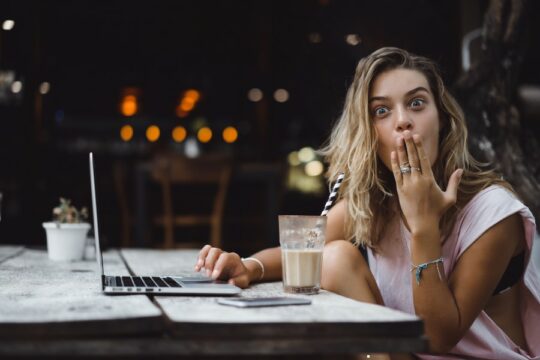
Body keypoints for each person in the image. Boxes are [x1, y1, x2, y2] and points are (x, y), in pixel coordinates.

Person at [194, 47, 539, 359]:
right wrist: (248, 266)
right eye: (382, 110)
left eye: (417, 103)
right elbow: (302, 251)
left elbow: (438, 338)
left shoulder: (494, 212)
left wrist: (422, 225)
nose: (402, 119)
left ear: (443, 120)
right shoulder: (375, 204)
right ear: (370, 135)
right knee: (335, 257)